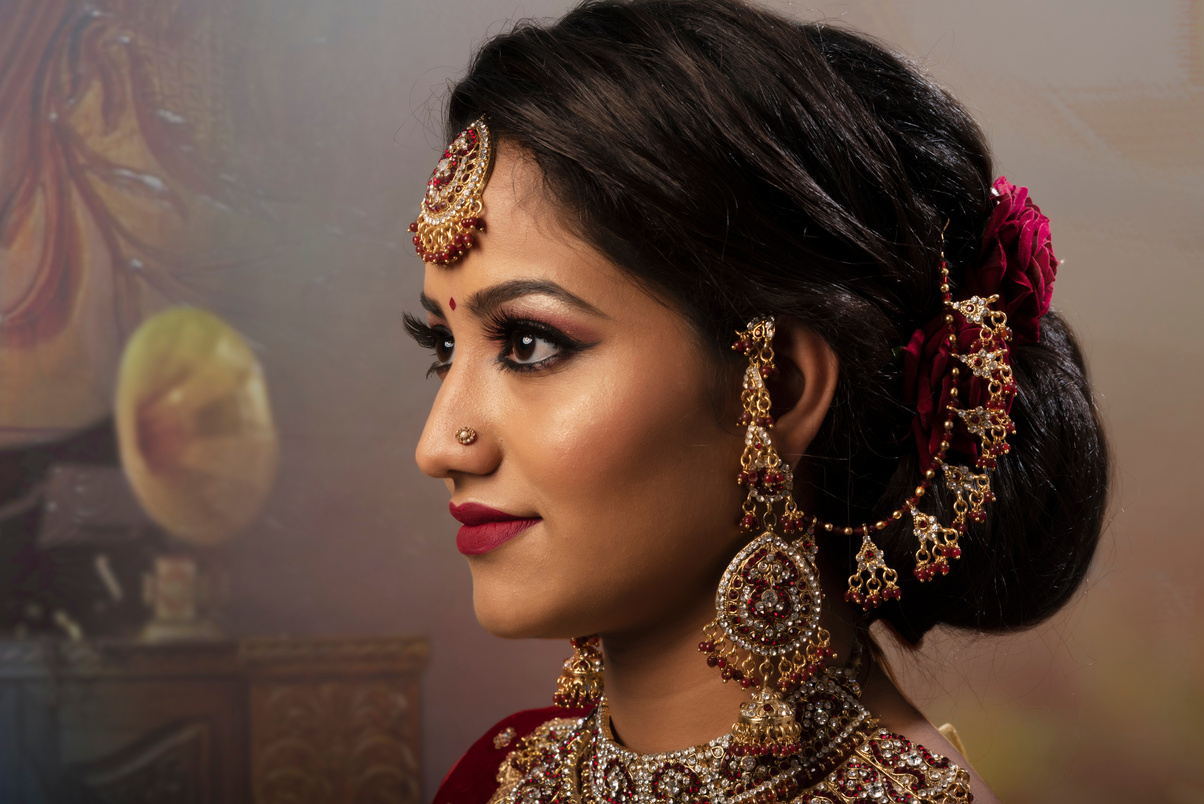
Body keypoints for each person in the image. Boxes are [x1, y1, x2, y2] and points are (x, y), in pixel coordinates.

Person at [403, 1, 1109, 801]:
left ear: (776, 392)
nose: (439, 445)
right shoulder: (502, 774)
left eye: (530, 345)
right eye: (444, 349)